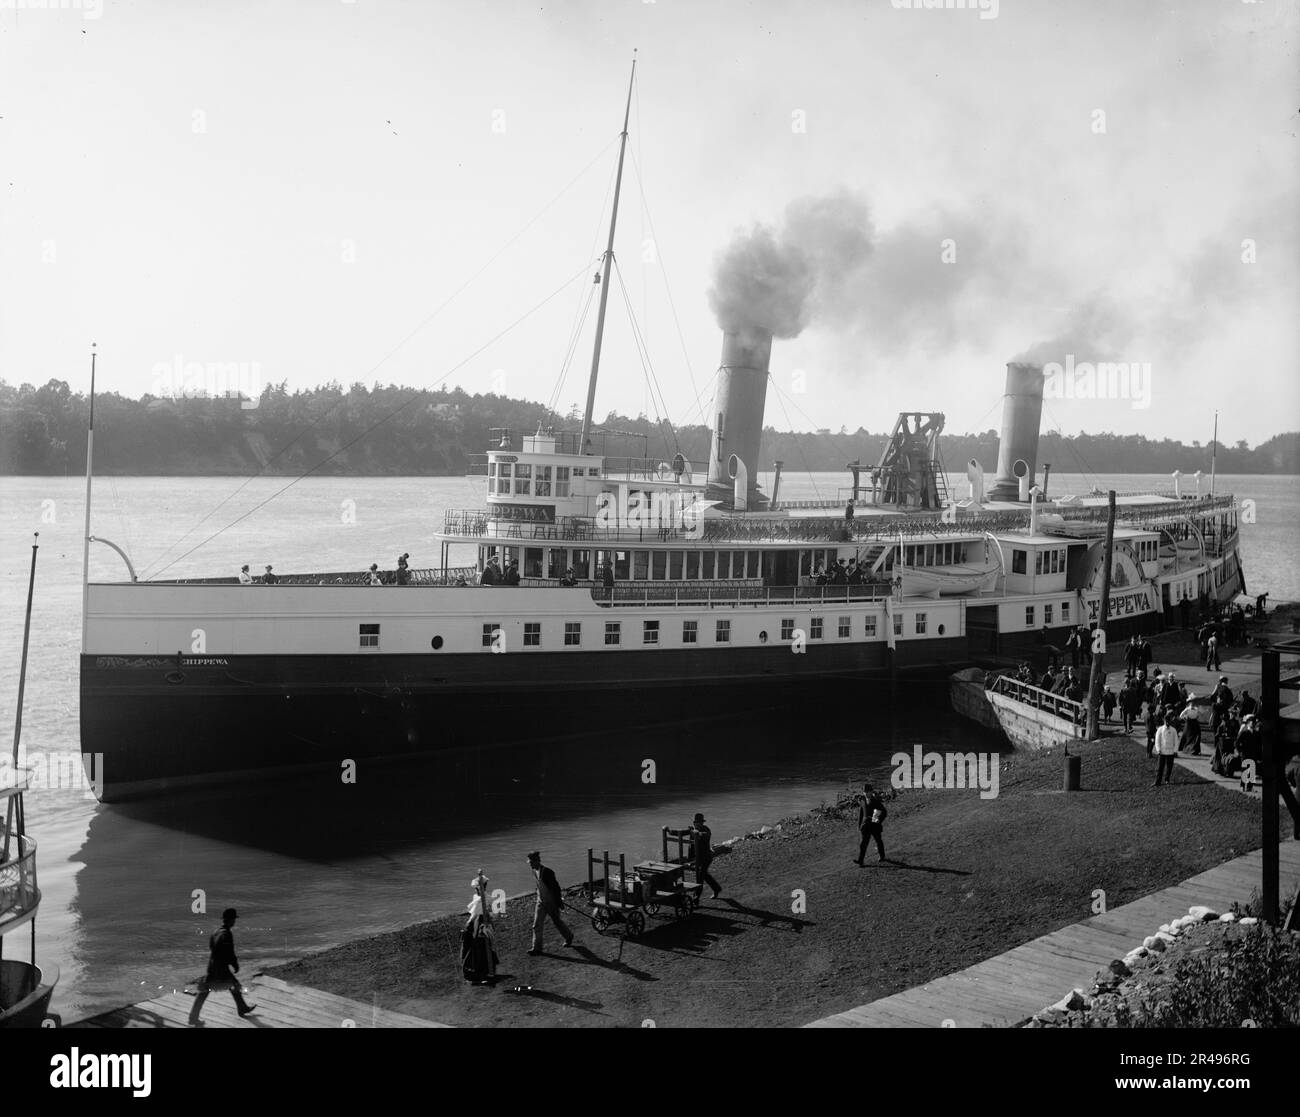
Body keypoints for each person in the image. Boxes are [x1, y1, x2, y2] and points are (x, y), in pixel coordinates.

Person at [188, 907, 255, 1024]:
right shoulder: (226, 934)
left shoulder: (216, 931)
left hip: (213, 965)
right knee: (227, 986)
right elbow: (229, 952)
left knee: (210, 989)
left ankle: (242, 1008)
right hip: (221, 968)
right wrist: (234, 964)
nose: (234, 921)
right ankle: (193, 1018)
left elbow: (212, 947)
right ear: (230, 920)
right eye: (233, 919)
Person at [525, 851, 574, 955]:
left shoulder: (547, 872)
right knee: (536, 925)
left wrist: (559, 902)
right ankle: (536, 948)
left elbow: (556, 888)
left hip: (551, 902)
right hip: (540, 901)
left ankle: (569, 936)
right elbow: (538, 885)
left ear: (537, 861)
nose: (530, 864)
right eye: (529, 862)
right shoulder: (534, 871)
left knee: (557, 922)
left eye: (531, 862)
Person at [461, 871, 498, 985]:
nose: (476, 890)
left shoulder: (486, 899)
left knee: (480, 946)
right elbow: (474, 915)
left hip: (481, 925)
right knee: (476, 946)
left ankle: (482, 972)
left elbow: (490, 914)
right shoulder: (479, 897)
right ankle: (479, 971)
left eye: (478, 888)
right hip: (476, 924)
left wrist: (487, 918)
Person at [691, 812, 722, 898]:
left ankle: (696, 898)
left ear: (702, 823)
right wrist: (669, 831)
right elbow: (682, 832)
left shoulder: (705, 829)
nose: (696, 823)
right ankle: (717, 888)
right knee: (704, 875)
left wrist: (698, 833)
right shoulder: (693, 830)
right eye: (695, 822)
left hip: (706, 857)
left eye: (698, 822)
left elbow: (706, 835)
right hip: (698, 857)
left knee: (700, 877)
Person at [855, 783, 888, 865]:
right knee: (863, 843)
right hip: (865, 825)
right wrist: (859, 825)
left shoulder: (875, 801)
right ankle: (860, 860)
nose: (866, 793)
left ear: (871, 792)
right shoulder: (862, 800)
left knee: (878, 841)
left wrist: (878, 820)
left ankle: (882, 856)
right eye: (865, 792)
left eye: (868, 792)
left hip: (874, 825)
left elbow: (884, 812)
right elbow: (861, 813)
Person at [1153, 711, 1179, 786]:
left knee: (1169, 767)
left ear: (1170, 721)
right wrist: (1158, 749)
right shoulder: (1160, 729)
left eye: (1169, 721)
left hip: (1170, 752)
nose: (1167, 723)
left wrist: (1175, 751)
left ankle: (1167, 779)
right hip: (1162, 751)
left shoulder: (1173, 730)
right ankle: (1158, 781)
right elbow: (1157, 740)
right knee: (1160, 767)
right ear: (1164, 721)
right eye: (1166, 721)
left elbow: (1176, 741)